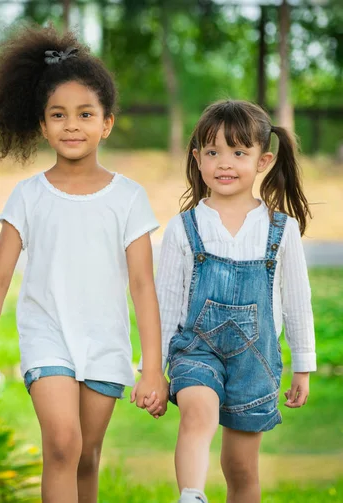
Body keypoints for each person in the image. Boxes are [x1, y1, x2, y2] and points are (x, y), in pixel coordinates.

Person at [0, 26, 168, 503]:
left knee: (87, 455)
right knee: (62, 445)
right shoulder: (28, 196)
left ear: (107, 124)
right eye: (59, 115)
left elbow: (142, 286)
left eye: (85, 114)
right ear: (42, 126)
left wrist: (152, 367)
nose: (72, 125)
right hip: (46, 336)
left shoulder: (129, 197)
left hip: (104, 343)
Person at [157, 100, 316, 503]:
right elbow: (167, 303)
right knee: (198, 413)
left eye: (238, 153)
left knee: (241, 469)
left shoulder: (283, 230)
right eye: (212, 152)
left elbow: (297, 301)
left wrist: (303, 366)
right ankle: (191, 495)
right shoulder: (185, 228)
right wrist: (153, 370)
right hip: (196, 350)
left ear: (262, 160)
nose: (224, 164)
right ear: (197, 158)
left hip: (256, 361)